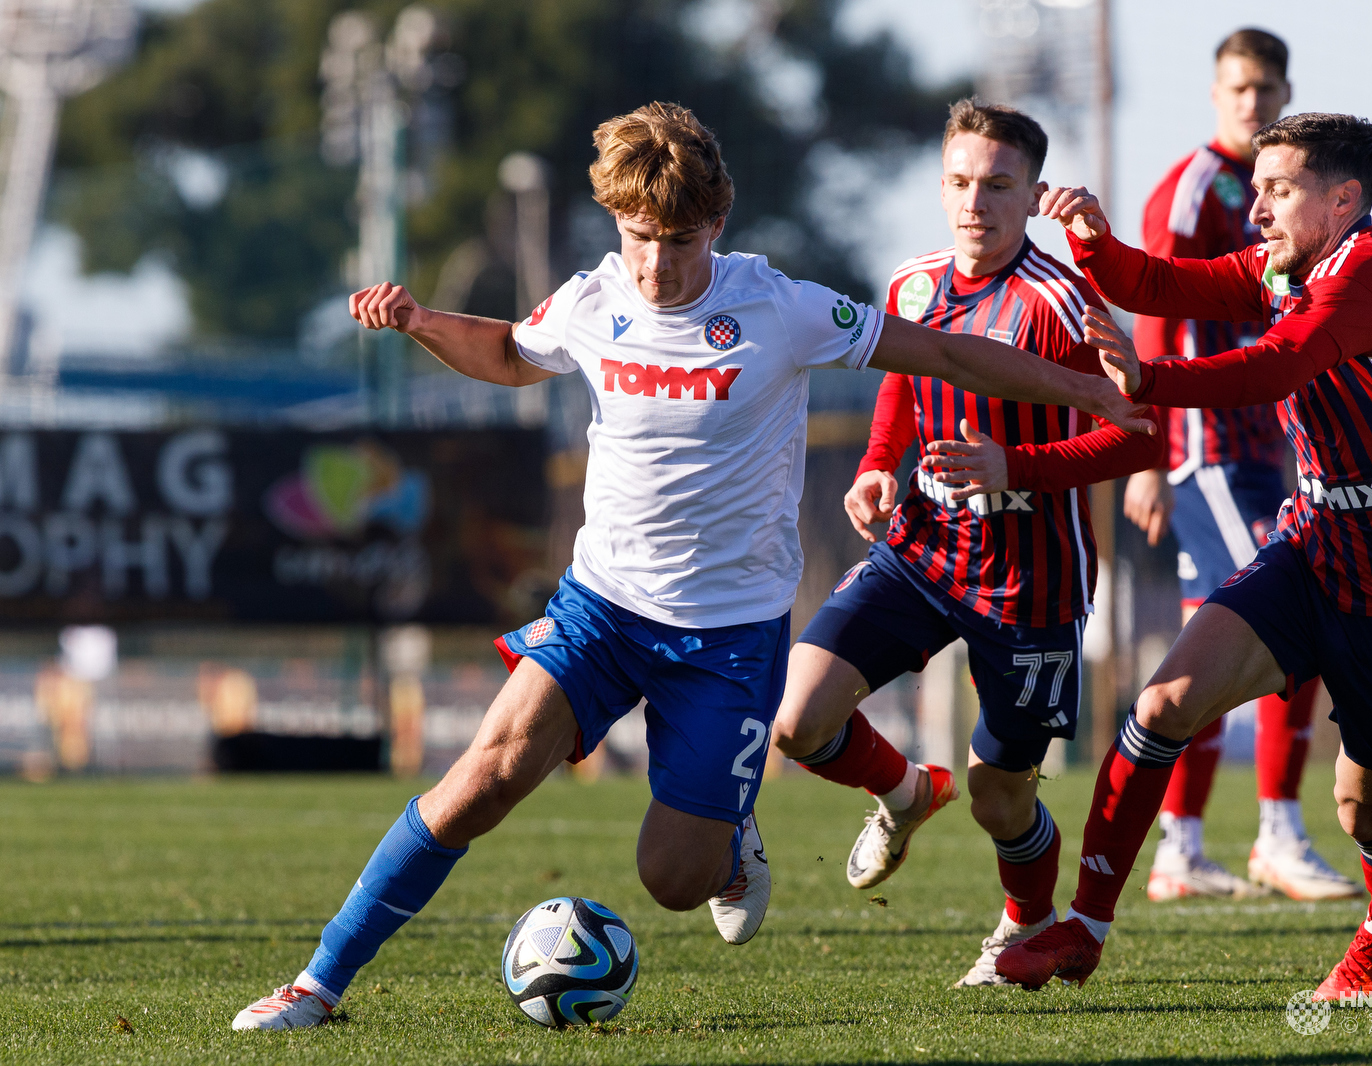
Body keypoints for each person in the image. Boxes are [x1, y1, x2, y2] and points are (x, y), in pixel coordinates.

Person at [230, 101, 1152, 1030]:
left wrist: (1085, 390)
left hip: (730, 637)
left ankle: (731, 830)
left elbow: (946, 353)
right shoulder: (593, 299)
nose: (656, 264)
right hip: (603, 607)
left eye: (678, 240)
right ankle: (319, 984)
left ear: (717, 223)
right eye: (638, 238)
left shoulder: (781, 307)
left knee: (672, 882)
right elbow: (513, 352)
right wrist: (423, 320)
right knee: (485, 777)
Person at [994, 112, 1372, 1001]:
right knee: (1164, 702)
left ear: (1344, 200)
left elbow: (1272, 369)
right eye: (1256, 188)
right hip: (1313, 546)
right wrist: (1094, 244)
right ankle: (1085, 928)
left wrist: (1148, 381)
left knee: (1367, 809)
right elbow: (1166, 282)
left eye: (1279, 190)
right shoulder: (1285, 261)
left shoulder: (1366, 272)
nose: (1256, 208)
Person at [770, 99, 1160, 987]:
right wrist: (877, 466)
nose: (973, 202)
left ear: (1031, 198)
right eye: (957, 181)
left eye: (997, 184)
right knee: (798, 719)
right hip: (922, 551)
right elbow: (901, 390)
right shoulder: (911, 284)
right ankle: (905, 791)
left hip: (1031, 585)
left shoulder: (1061, 302)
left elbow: (1139, 432)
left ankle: (1024, 923)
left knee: (1001, 796)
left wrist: (1012, 465)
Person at [1127, 28, 1358, 903]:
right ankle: (1277, 834)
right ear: (1216, 94)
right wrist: (1147, 454)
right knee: (1299, 610)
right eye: (1237, 89)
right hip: (1209, 453)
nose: (1252, 102)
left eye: (1266, 88)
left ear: (1285, 90)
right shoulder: (1192, 190)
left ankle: (1181, 847)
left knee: (1205, 649)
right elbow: (1152, 309)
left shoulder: (1289, 195)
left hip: (1272, 446)